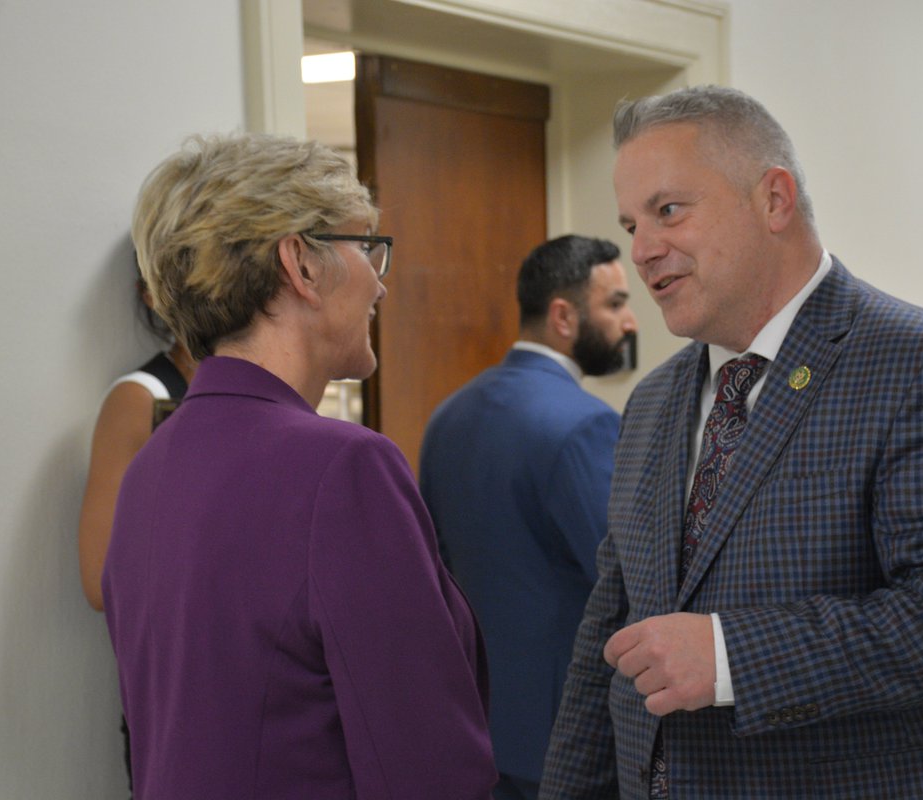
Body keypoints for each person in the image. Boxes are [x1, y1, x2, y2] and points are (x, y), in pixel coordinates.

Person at [540, 86, 923, 798]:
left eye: (668, 211)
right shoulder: (651, 402)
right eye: (631, 225)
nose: (643, 251)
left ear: (773, 199)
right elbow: (611, 629)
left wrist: (728, 655)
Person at [104, 133, 496, 799]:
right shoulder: (344, 468)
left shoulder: (151, 469)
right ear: (301, 265)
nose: (378, 280)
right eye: (366, 246)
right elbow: (426, 763)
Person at [419, 235, 638, 800]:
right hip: (569, 735)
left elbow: (439, 571)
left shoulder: (448, 416)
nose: (631, 321)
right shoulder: (588, 424)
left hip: (478, 721)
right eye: (614, 303)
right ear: (564, 316)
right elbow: (626, 580)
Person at [78, 274, 195, 613]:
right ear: (149, 293)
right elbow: (101, 580)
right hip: (177, 647)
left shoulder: (252, 389)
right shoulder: (142, 398)